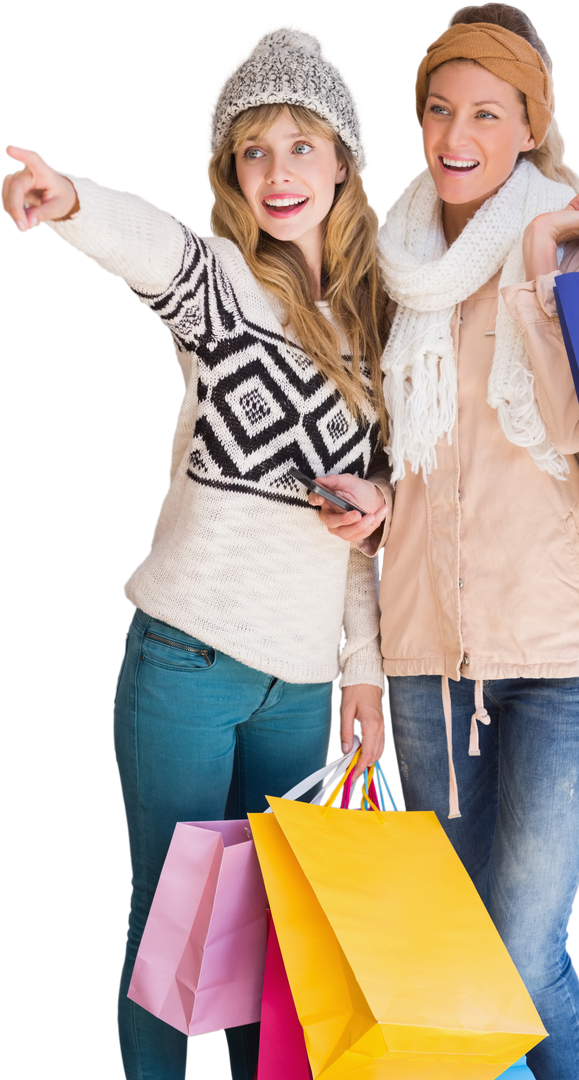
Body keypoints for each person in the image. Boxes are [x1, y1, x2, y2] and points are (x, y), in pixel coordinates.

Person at [306, 4, 579, 1078]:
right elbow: (396, 449)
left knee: (522, 957)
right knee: (454, 962)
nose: (454, 134)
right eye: (439, 109)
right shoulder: (391, 264)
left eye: (486, 111)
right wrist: (382, 508)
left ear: (531, 124)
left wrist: (545, 275)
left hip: (568, 658)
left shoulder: (577, 238)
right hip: (428, 659)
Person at [1, 19, 393, 1080]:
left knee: (281, 953)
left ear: (346, 162)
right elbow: (151, 243)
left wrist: (362, 670)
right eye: (252, 150)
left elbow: (369, 543)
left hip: (304, 684)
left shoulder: (379, 318)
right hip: (185, 659)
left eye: (301, 145)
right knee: (174, 943)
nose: (277, 173)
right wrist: (70, 197)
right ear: (229, 170)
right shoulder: (224, 284)